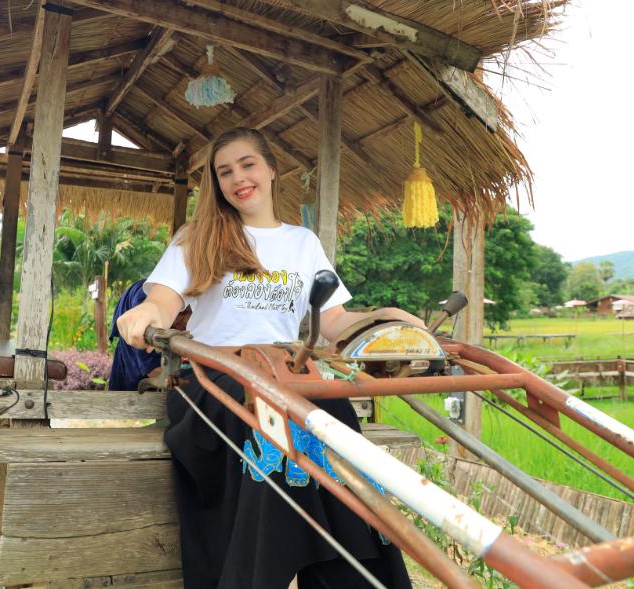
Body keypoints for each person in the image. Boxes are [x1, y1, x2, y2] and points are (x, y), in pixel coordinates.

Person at [117, 127, 421, 588]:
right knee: (270, 421)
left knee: (335, 417)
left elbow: (335, 321)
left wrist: (384, 318)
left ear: (272, 170)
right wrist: (146, 312)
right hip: (214, 380)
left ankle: (354, 575)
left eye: (248, 165)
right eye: (225, 172)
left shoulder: (302, 243)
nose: (238, 178)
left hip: (285, 377)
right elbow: (162, 301)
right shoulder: (197, 237)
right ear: (216, 184)